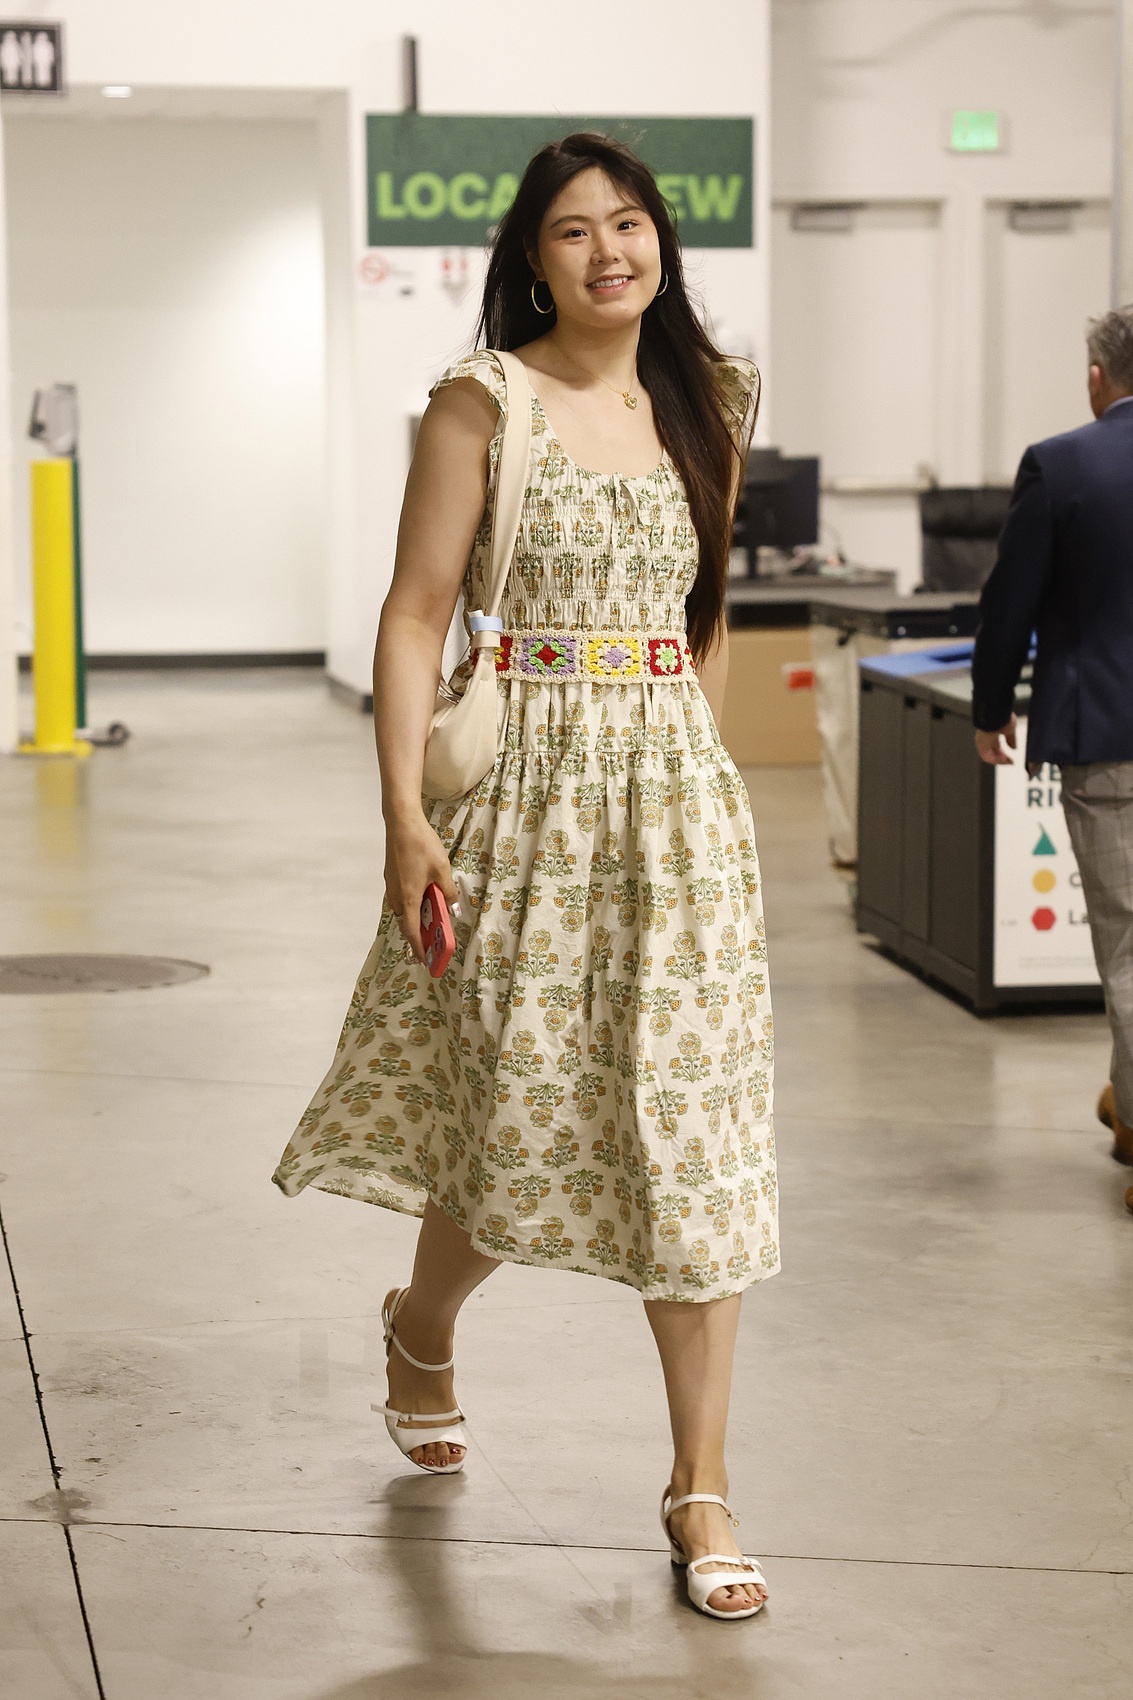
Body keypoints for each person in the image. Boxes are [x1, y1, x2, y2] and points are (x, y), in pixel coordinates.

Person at [272, 133, 777, 1619]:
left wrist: (704, 780)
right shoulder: (480, 403)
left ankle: (699, 1483)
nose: (608, 251)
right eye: (573, 230)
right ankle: (422, 1324)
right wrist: (401, 815)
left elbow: (705, 612)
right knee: (515, 1117)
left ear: (660, 240)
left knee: (692, 1142)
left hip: (677, 814)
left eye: (629, 223)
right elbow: (414, 613)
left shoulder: (711, 398)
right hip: (524, 801)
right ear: (533, 259)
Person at [972, 303, 1133, 1219]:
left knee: (1127, 946)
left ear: (1096, 377)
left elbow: (1010, 603)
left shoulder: (1062, 463)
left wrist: (990, 707)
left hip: (1108, 742)